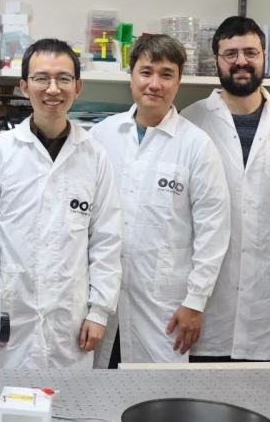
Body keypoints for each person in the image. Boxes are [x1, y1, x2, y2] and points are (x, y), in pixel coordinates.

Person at [0, 39, 122, 369]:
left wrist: (99, 310)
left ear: (78, 87)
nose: (53, 89)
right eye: (41, 78)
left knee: (69, 410)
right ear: (24, 87)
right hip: (9, 316)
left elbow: (106, 241)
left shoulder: (94, 156)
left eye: (63, 78)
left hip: (72, 321)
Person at [90, 34, 231, 367]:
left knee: (157, 396)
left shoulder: (196, 145)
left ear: (178, 81)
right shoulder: (102, 136)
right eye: (146, 71)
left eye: (166, 74)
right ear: (132, 76)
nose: (154, 83)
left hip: (164, 304)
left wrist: (195, 301)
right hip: (100, 299)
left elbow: (214, 228)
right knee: (93, 395)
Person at [180, 16, 270, 362]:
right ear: (217, 61)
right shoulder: (191, 121)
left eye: (250, 52)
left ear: (263, 57)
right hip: (206, 297)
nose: (241, 61)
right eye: (231, 54)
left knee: (266, 404)